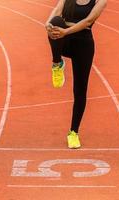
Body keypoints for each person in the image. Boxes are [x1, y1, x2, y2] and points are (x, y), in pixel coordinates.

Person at [45, 0, 107, 148]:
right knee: (55, 21)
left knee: (80, 91)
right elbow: (56, 11)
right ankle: (57, 63)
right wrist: (48, 24)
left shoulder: (100, 1)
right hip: (64, 41)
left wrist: (66, 29)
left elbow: (88, 21)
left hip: (83, 45)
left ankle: (73, 132)